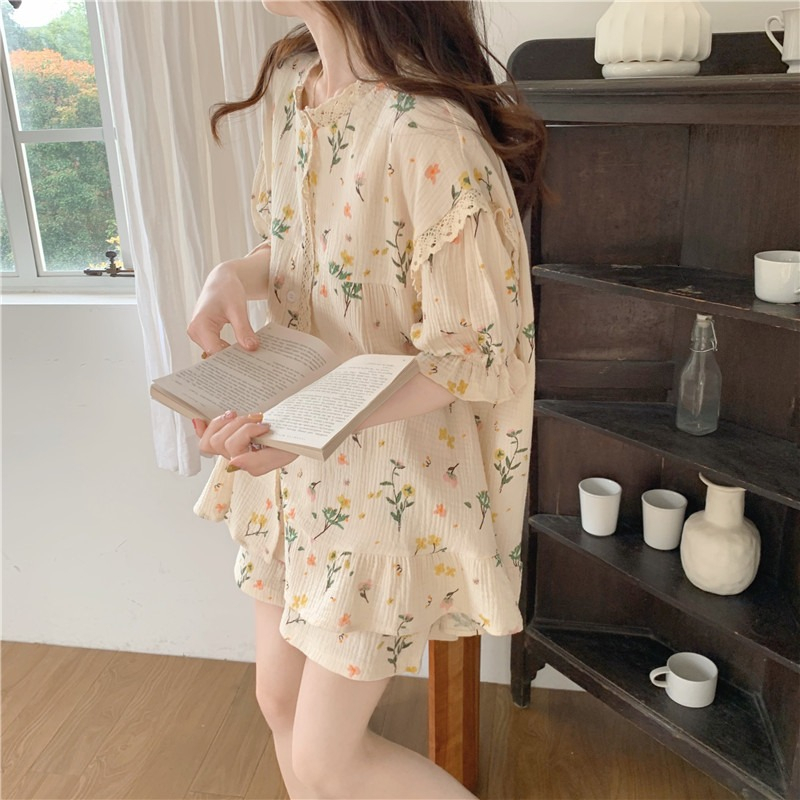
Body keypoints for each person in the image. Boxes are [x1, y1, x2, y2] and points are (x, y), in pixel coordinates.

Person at [188, 2, 546, 798]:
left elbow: (474, 353)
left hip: (387, 481)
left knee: (328, 759)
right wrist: (232, 276)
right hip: (297, 470)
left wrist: (304, 425)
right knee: (278, 704)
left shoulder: (428, 134)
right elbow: (303, 251)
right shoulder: (298, 90)